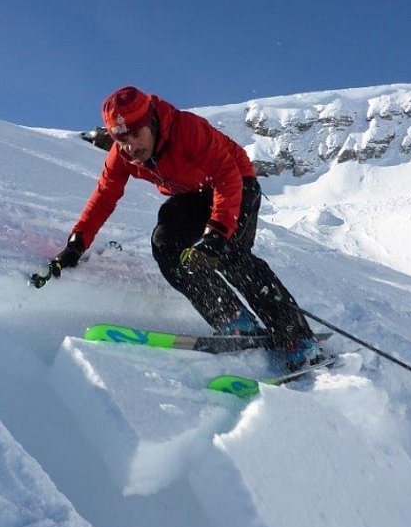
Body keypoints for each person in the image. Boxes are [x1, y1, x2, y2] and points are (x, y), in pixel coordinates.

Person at [53, 86, 321, 370]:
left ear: (152, 123)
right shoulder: (122, 155)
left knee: (229, 254)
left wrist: (217, 234)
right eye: (122, 139)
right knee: (166, 245)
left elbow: (226, 175)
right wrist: (76, 244)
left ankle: (297, 338)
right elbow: (104, 197)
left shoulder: (187, 130)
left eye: (136, 134)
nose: (131, 146)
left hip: (235, 181)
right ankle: (233, 319)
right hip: (191, 194)